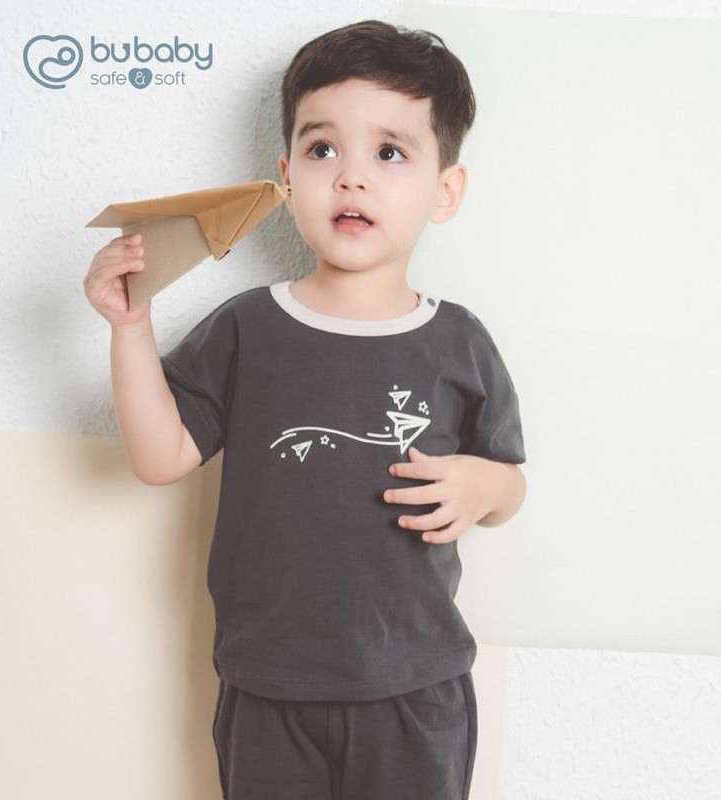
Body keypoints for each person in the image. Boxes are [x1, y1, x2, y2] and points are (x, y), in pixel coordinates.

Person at [84, 19, 526, 800]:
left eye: (389, 153)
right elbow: (160, 458)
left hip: (414, 690)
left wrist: (482, 487)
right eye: (323, 150)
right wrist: (130, 327)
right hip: (268, 687)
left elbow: (509, 483)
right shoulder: (248, 327)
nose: (351, 178)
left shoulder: (458, 341)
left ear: (445, 190)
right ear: (286, 174)